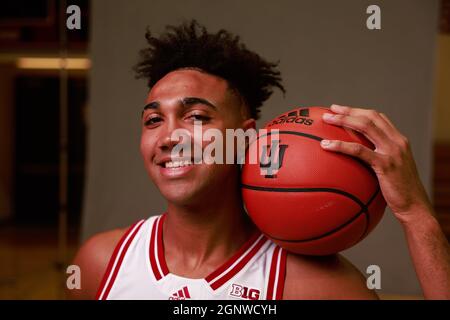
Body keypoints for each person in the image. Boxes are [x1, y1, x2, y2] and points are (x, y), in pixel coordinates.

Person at [70, 20, 450, 300]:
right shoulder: (101, 264)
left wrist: (416, 214)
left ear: (247, 138)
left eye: (197, 117)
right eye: (154, 120)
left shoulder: (313, 286)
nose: (170, 136)